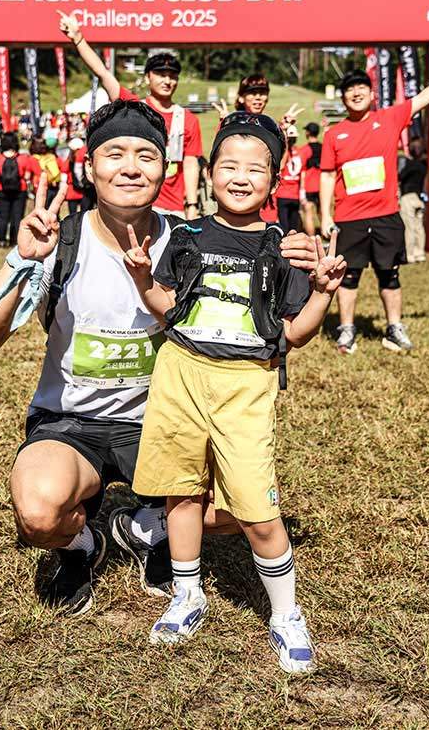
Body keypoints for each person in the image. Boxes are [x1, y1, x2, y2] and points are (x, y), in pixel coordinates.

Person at [0, 99, 318, 617]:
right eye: (115, 154)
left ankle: (141, 527)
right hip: (73, 423)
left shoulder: (192, 239)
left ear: (165, 168)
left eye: (146, 155)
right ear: (89, 166)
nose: (130, 167)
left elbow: (265, 287)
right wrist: (22, 261)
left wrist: (294, 254)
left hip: (167, 421)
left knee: (249, 505)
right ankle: (83, 546)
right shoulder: (63, 241)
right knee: (38, 510)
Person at [125, 111, 346, 673]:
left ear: (275, 181)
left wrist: (320, 293)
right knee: (181, 493)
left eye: (256, 168)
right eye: (229, 164)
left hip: (247, 383)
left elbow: (293, 333)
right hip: (179, 373)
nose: (241, 177)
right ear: (209, 172)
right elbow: (166, 309)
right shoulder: (185, 235)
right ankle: (187, 594)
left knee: (257, 509)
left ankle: (285, 612)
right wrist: (141, 278)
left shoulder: (285, 247)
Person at [320, 50, 429, 354]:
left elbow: (426, 96)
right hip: (349, 219)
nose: (355, 94)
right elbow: (328, 176)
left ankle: (394, 329)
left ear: (372, 94)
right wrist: (325, 217)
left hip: (386, 216)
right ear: (343, 99)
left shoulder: (391, 118)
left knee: (389, 274)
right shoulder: (334, 134)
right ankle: (346, 330)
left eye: (361, 88)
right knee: (349, 277)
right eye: (349, 90)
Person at [58, 10, 203, 220]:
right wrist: (78, 38)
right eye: (161, 74)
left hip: (174, 208)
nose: (167, 81)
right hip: (135, 204)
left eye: (172, 76)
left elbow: (189, 164)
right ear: (147, 77)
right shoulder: (134, 107)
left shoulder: (188, 119)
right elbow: (103, 74)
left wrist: (191, 205)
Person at [0, 132, 30, 247]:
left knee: (1, 216)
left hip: (2, 190)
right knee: (17, 216)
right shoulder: (23, 159)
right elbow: (27, 175)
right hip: (20, 190)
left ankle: (1, 240)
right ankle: (14, 240)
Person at [399, 138, 428, 263]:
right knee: (419, 227)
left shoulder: (410, 165)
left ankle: (409, 254)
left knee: (409, 227)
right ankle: (420, 252)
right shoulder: (423, 166)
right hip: (419, 198)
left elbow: (400, 176)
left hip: (408, 197)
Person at [276, 123, 303, 233]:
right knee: (289, 227)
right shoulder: (299, 152)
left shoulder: (284, 152)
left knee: (290, 228)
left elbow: (281, 166)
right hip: (288, 194)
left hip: (289, 194)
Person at [298, 123, 322, 237]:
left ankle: (312, 238)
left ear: (307, 133)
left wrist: (301, 188)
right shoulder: (324, 148)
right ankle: (325, 234)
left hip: (309, 185)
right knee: (322, 212)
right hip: (322, 185)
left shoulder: (305, 150)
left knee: (308, 213)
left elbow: (301, 169)